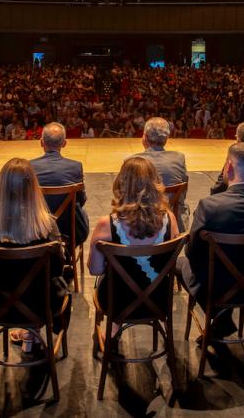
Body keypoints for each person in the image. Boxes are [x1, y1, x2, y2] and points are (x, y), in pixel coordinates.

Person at [180, 143, 244, 338]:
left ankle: (220, 314)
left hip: (217, 286)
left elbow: (192, 252)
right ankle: (222, 316)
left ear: (227, 168)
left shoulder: (209, 206)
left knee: (180, 263)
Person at [0, 158, 70, 352]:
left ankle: (28, 332)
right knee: (45, 284)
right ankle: (31, 332)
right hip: (40, 304)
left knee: (19, 282)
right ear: (33, 186)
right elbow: (58, 269)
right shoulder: (47, 226)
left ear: (0, 186)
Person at [88, 157, 180, 320]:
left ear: (120, 184)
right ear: (155, 184)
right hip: (159, 301)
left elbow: (95, 270)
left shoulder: (106, 224)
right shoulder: (170, 219)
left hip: (117, 303)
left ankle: (111, 332)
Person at [29, 122, 90, 248]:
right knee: (82, 213)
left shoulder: (29, 167)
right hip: (68, 229)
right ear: (64, 143)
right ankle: (67, 253)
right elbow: (81, 200)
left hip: (36, 228)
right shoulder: (75, 167)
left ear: (41, 142)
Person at [131, 117, 189, 231]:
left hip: (141, 226)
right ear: (166, 138)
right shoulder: (179, 158)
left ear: (145, 137)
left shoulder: (132, 161)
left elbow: (126, 198)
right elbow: (183, 193)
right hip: (173, 224)